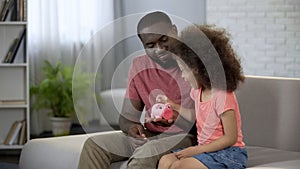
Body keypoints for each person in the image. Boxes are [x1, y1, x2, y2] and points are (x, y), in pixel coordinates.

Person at [77, 11, 197, 169]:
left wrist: (176, 116)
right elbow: (126, 118)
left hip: (185, 136)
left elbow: (205, 123)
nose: (160, 49)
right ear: (143, 45)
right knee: (94, 146)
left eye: (164, 39)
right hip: (151, 135)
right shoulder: (139, 65)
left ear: (174, 30)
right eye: (151, 45)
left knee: (145, 153)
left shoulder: (195, 64)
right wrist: (132, 130)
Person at [157, 24, 248, 169]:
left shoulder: (222, 95)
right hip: (205, 150)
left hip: (230, 153)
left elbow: (231, 138)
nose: (182, 76)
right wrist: (173, 105)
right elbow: (196, 116)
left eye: (184, 71)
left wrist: (196, 150)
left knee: (179, 166)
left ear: (198, 70)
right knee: (165, 161)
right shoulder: (197, 91)